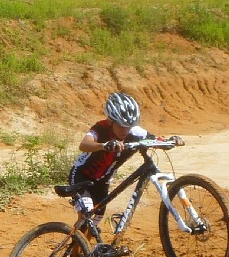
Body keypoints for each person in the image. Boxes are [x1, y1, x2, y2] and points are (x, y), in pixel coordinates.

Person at [69, 92, 184, 233]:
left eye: (128, 126)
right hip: (81, 176)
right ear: (111, 121)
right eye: (121, 126)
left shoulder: (136, 132)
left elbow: (155, 140)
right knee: (85, 218)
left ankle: (84, 247)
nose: (125, 130)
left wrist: (170, 141)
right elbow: (84, 144)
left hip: (103, 182)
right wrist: (104, 145)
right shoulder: (101, 128)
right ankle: (75, 246)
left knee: (94, 225)